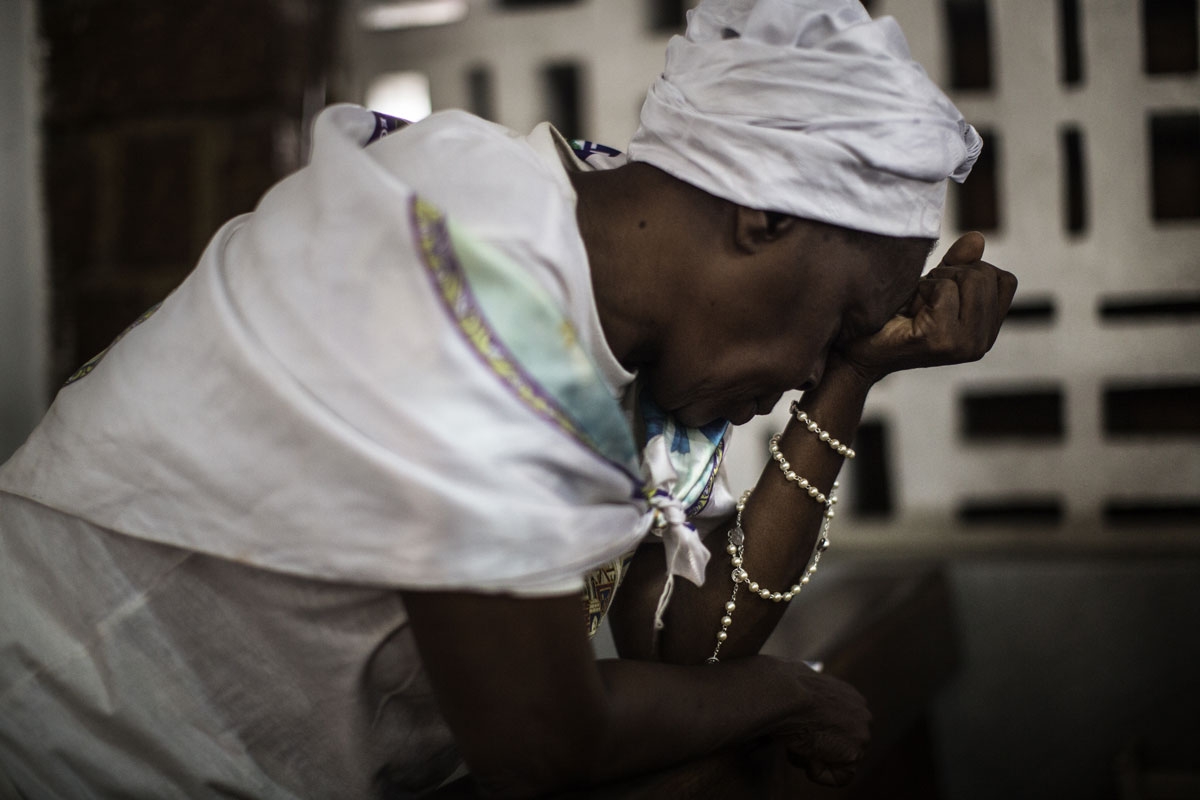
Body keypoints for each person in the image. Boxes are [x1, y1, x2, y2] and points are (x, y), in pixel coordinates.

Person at [0, 0, 1016, 797]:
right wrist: (783, 694)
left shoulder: (618, 314)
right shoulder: (474, 264)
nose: (807, 363)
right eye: (837, 322)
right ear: (760, 216)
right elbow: (539, 738)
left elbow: (681, 641)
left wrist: (851, 372)